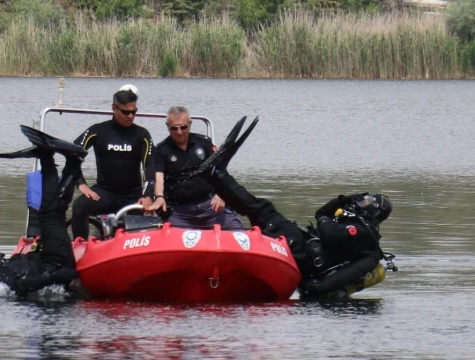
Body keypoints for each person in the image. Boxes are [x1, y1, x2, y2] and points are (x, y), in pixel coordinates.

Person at [178, 116, 394, 297]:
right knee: (258, 210)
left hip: (300, 253)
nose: (362, 202)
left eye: (367, 201)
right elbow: (321, 213)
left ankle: (216, 174)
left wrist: (315, 289)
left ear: (374, 211)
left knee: (261, 209)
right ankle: (215, 176)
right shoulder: (356, 221)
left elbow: (329, 237)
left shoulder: (366, 238)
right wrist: (344, 199)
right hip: (299, 244)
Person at [0, 126, 88, 297]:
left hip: (49, 258)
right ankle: (47, 156)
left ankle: (73, 162)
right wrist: (54, 276)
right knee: (49, 214)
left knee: (56, 210)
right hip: (57, 264)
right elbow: (21, 286)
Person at [71, 85, 155, 240]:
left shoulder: (142, 135)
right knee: (79, 206)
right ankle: (80, 248)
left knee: (161, 208)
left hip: (134, 197)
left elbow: (150, 166)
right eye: (125, 112)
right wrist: (80, 183)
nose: (130, 116)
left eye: (134, 112)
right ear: (114, 108)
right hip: (105, 194)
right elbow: (72, 153)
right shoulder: (98, 131)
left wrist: (148, 195)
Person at [147, 106, 242, 229]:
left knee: (236, 230)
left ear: (190, 124)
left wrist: (221, 193)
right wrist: (159, 197)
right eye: (174, 128)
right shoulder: (161, 150)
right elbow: (158, 177)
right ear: (167, 127)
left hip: (210, 207)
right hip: (180, 212)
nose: (179, 132)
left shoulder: (204, 143)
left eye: (183, 127)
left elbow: (220, 169)